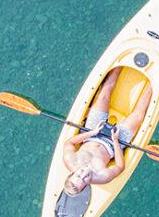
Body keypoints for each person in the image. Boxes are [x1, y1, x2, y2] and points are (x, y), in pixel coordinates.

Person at [62, 67, 153, 196]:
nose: (84, 174)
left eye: (79, 175)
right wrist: (116, 141)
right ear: (86, 185)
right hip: (113, 143)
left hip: (93, 133)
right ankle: (152, 85)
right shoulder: (102, 177)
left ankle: (118, 67)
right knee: (138, 115)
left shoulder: (69, 160)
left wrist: (92, 132)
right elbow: (120, 167)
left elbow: (69, 143)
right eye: (84, 180)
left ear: (72, 173)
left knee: (103, 95)